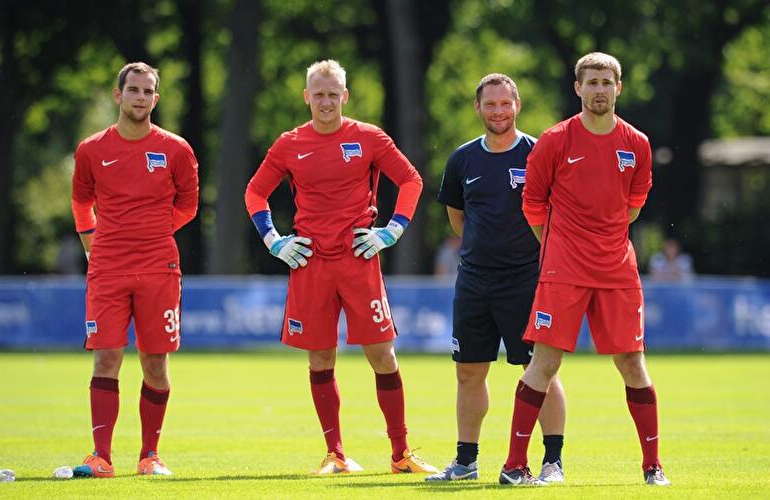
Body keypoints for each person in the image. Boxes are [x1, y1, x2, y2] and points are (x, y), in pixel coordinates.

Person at [244, 59, 437, 476]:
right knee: (319, 358)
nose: (326, 101)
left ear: (345, 96)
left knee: (382, 355)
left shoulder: (368, 137)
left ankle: (401, 454)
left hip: (359, 258)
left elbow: (411, 180)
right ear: (306, 97)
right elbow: (255, 192)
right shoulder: (289, 143)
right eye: (319, 94)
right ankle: (335, 454)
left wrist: (392, 230)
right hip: (310, 260)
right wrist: (274, 240)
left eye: (334, 94)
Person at [498, 52, 670, 486]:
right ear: (578, 88)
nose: (599, 90)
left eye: (606, 83)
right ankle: (515, 465)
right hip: (563, 271)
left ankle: (653, 467)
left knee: (633, 364)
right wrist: (559, 248)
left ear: (619, 88)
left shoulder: (637, 144)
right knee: (545, 363)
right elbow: (532, 204)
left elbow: (632, 209)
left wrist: (601, 241)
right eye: (591, 82)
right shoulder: (555, 141)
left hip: (617, 270)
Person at [427, 74, 566, 483]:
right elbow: (458, 221)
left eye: (505, 104)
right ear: (478, 108)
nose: (498, 112)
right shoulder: (462, 159)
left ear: (517, 105)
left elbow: (559, 214)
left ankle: (552, 462)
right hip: (472, 281)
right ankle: (466, 462)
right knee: (469, 372)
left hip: (526, 280)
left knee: (539, 371)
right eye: (490, 105)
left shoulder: (540, 153)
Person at [69, 62, 199, 478]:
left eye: (148, 91)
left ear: (155, 99)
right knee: (106, 358)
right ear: (118, 95)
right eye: (134, 90)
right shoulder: (91, 149)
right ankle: (101, 457)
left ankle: (150, 456)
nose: (141, 97)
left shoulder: (177, 149)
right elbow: (81, 204)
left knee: (155, 363)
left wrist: (153, 231)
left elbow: (189, 206)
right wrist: (94, 245)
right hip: (107, 266)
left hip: (159, 266)